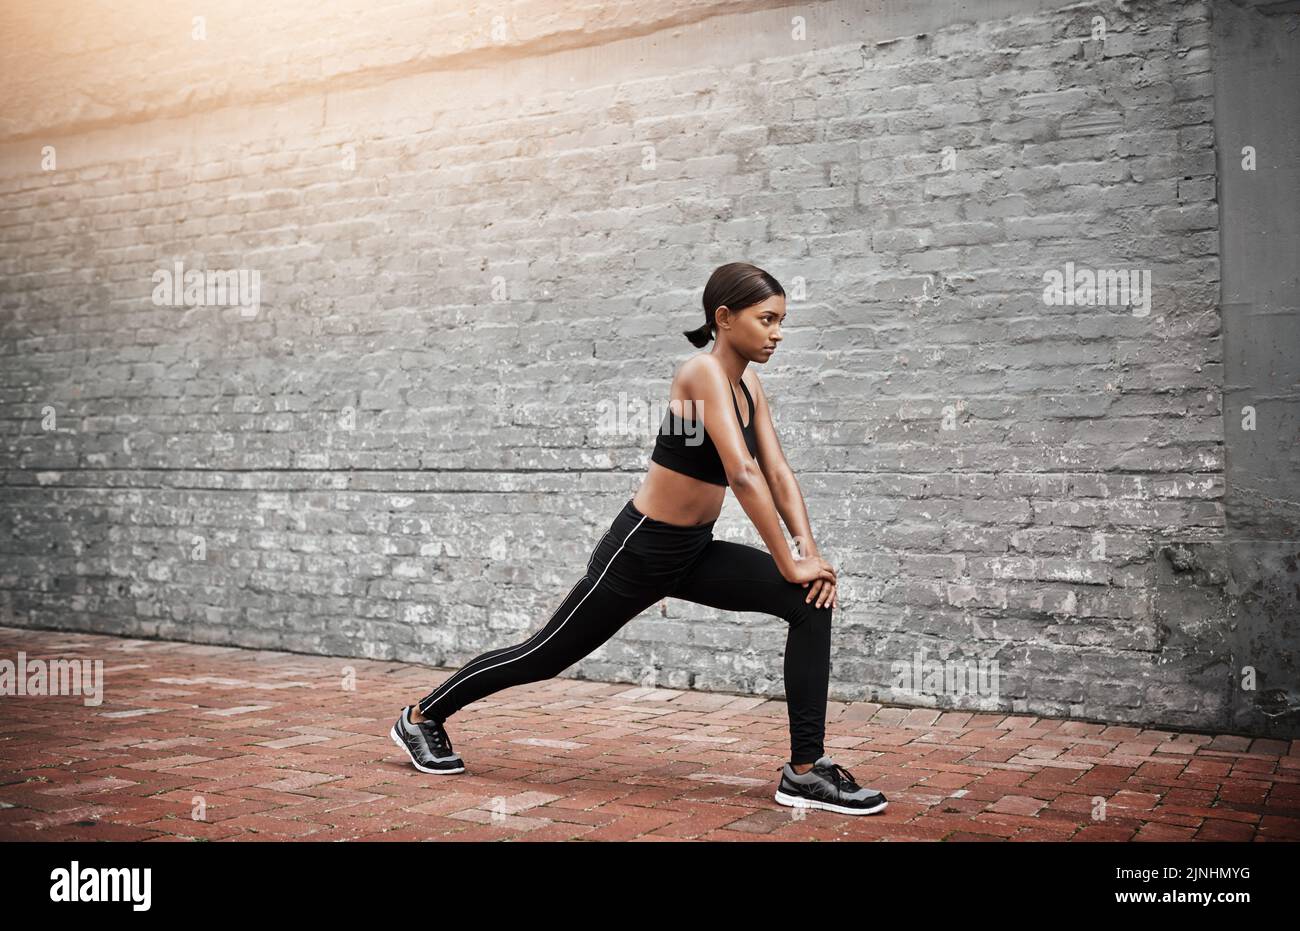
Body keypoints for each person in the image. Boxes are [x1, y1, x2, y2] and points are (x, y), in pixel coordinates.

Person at [390, 262, 887, 815]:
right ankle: (421, 717)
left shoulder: (749, 385)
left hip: (694, 551)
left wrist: (807, 553)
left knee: (809, 602)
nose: (778, 333)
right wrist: (787, 560)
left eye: (781, 321)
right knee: (544, 655)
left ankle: (805, 771)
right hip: (641, 550)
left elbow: (776, 469)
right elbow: (742, 473)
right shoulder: (700, 372)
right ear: (724, 318)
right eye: (767, 319)